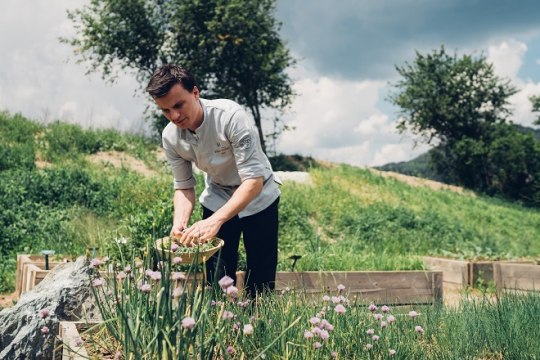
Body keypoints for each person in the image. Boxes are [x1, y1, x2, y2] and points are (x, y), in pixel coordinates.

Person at [146, 64, 281, 296]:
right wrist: (179, 224)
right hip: (218, 194)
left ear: (195, 93)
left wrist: (214, 221)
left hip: (259, 196)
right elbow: (184, 186)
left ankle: (257, 327)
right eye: (166, 111)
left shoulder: (230, 117)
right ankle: (222, 324)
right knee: (217, 279)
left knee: (260, 278)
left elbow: (253, 181)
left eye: (179, 105)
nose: (175, 116)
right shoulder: (170, 137)